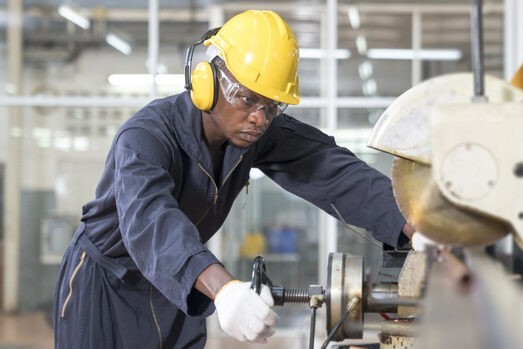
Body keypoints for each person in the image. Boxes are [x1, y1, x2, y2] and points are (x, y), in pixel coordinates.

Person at [53, 9, 415, 348]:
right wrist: (223, 289)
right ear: (208, 81)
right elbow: (151, 223)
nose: (259, 117)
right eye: (246, 98)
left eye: (271, 106)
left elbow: (328, 168)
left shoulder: (251, 133)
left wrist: (412, 224)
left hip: (173, 284)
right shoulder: (145, 137)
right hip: (105, 285)